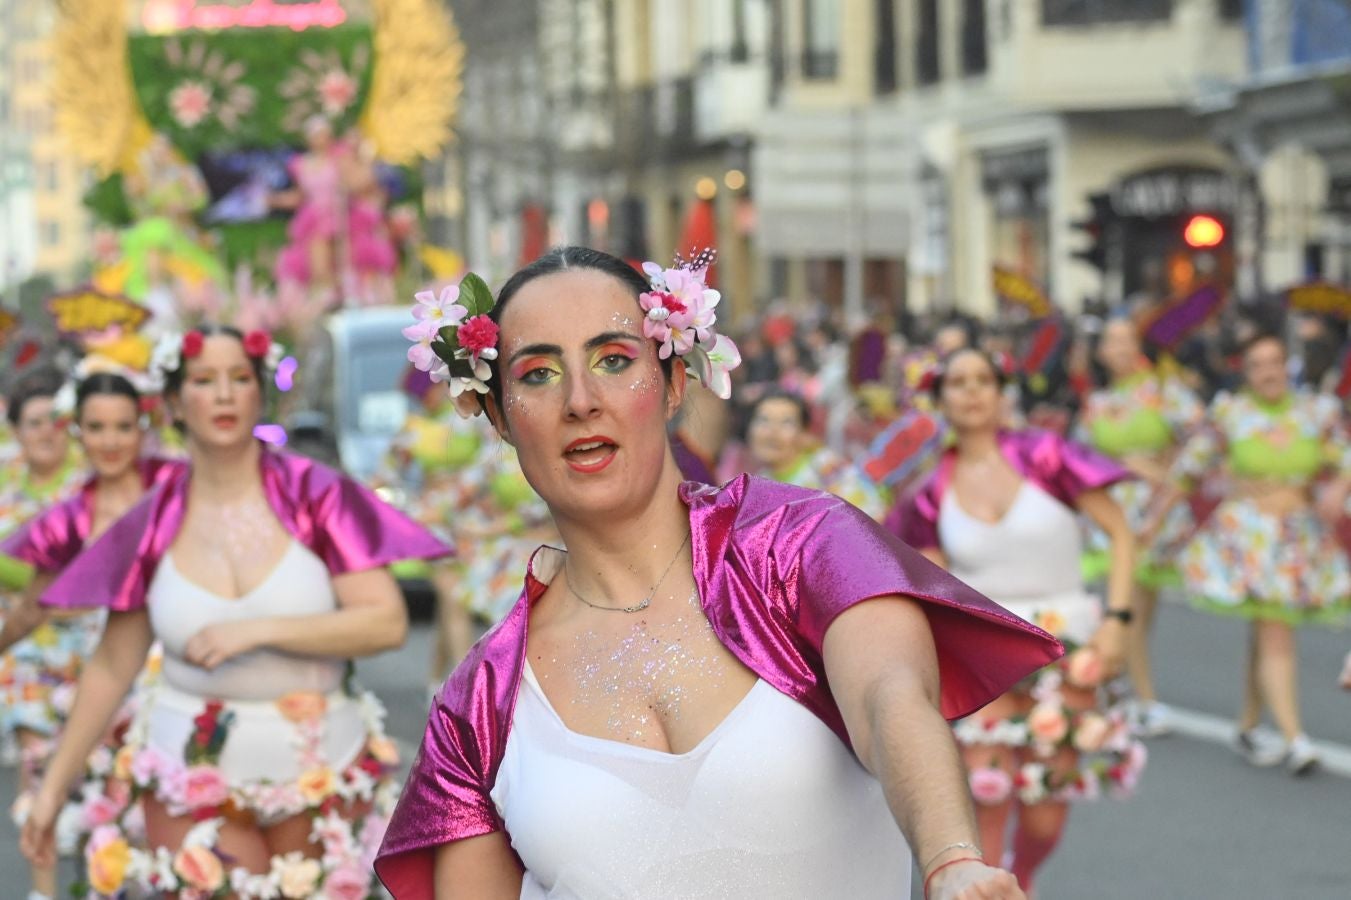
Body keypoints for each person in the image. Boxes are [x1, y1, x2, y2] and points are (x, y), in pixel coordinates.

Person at [376, 247, 1060, 900]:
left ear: (674, 382)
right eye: (537, 375)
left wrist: (951, 862)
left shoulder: (800, 548)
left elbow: (891, 697)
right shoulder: (479, 702)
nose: (580, 400)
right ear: (497, 415)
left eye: (614, 360)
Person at [19, 326, 452, 897]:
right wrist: (51, 792)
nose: (223, 395)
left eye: (239, 379)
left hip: (319, 764)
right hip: (188, 769)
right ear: (174, 403)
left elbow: (385, 621)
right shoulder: (152, 519)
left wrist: (253, 632)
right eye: (203, 381)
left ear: (259, 394)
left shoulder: (318, 494)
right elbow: (111, 665)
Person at [896, 348, 1144, 896]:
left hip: (1067, 648)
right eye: (957, 382)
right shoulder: (930, 488)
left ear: (1003, 391)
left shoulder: (1047, 455)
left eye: (984, 379)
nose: (972, 391)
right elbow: (934, 585)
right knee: (986, 796)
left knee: (1043, 815)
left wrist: (1119, 621)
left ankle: (1024, 875)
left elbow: (1122, 533)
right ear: (939, 401)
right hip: (988, 653)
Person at [1146, 331, 1351, 774]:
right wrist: (1154, 519)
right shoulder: (1230, 413)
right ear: (1247, 372)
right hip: (1249, 536)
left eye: (1275, 361)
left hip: (1300, 536)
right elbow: (1189, 470)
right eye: (1257, 364)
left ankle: (1249, 723)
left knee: (1269, 626)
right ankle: (1296, 739)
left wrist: (1337, 484)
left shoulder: (1317, 412)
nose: (1268, 372)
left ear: (1287, 365)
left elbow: (1345, 457)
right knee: (1275, 625)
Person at [0, 374, 162, 900]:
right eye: (95, 427)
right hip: (48, 660)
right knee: (44, 778)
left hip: (140, 664)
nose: (109, 440)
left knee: (124, 798)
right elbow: (38, 600)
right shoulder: (61, 509)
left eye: (122, 427)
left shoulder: (171, 492)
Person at [1076, 316, 1204, 735]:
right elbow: (1078, 459)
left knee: (1143, 610)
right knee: (1125, 606)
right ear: (1101, 352)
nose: (1120, 348)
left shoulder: (1166, 392)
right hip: (1115, 515)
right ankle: (1143, 700)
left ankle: (1118, 688)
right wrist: (1120, 466)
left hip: (1157, 511)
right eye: (1111, 341)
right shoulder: (1096, 404)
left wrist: (1170, 474)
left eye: (1126, 339)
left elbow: (1204, 438)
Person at [0, 370, 88, 768]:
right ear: (16, 431)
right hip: (20, 645)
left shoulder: (90, 485)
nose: (46, 433)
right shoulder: (5, 486)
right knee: (36, 767)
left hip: (86, 640)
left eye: (55, 422)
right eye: (34, 423)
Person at [744, 388, 889, 520]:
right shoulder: (757, 486)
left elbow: (868, 515)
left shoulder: (824, 467)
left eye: (786, 423)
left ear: (803, 433)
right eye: (763, 420)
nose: (772, 432)